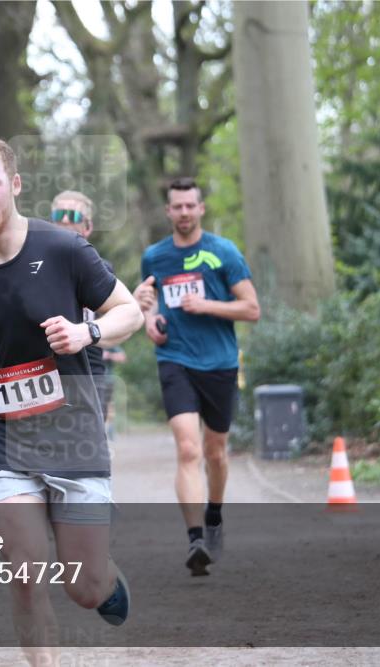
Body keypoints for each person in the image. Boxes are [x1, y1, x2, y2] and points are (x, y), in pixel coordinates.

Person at [0, 137, 144, 664]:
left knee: (83, 588)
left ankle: (103, 576)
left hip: (74, 434)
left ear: (14, 185)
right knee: (24, 573)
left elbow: (128, 311)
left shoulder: (63, 250)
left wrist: (88, 332)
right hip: (3, 439)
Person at [133, 177, 260, 576]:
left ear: (201, 209)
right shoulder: (155, 257)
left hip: (220, 363)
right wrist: (150, 321)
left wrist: (207, 305)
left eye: (191, 205)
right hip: (175, 360)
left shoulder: (223, 253)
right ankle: (195, 541)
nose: (184, 213)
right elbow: (150, 306)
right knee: (188, 450)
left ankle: (215, 515)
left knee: (215, 452)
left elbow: (251, 308)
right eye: (177, 206)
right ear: (168, 211)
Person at [48, 190, 123, 427]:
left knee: (88, 453)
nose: (66, 220)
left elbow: (118, 321)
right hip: (42, 373)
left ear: (88, 227)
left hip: (88, 373)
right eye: (60, 214)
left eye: (73, 215)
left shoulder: (101, 269)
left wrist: (137, 306)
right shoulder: (30, 265)